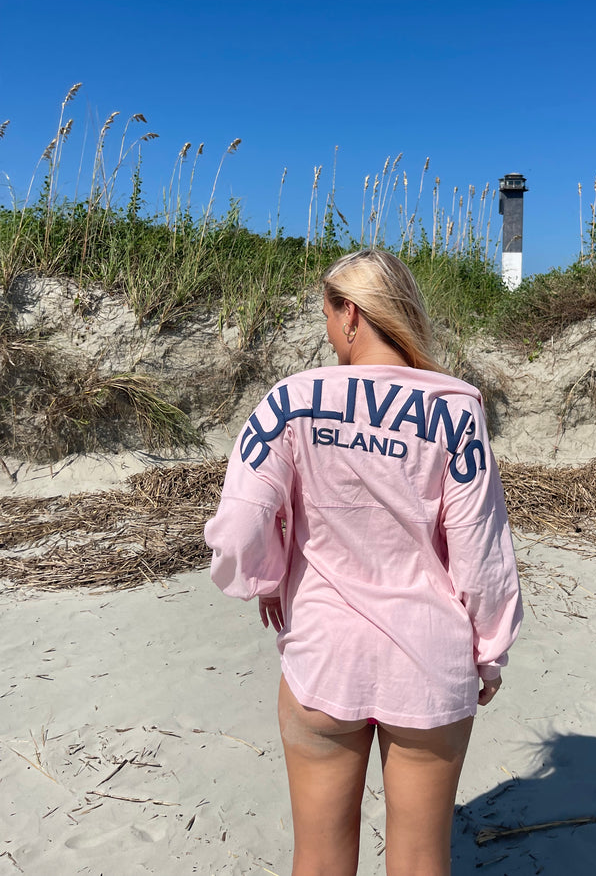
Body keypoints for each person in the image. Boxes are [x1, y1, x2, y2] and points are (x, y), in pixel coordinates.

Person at [205, 249, 523, 876]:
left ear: (350, 313)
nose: (329, 330)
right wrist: (489, 652)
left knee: (320, 859)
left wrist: (267, 579)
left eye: (328, 314)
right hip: (431, 659)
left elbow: (240, 524)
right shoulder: (457, 408)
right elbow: (481, 552)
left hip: (324, 655)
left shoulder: (291, 400)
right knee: (422, 860)